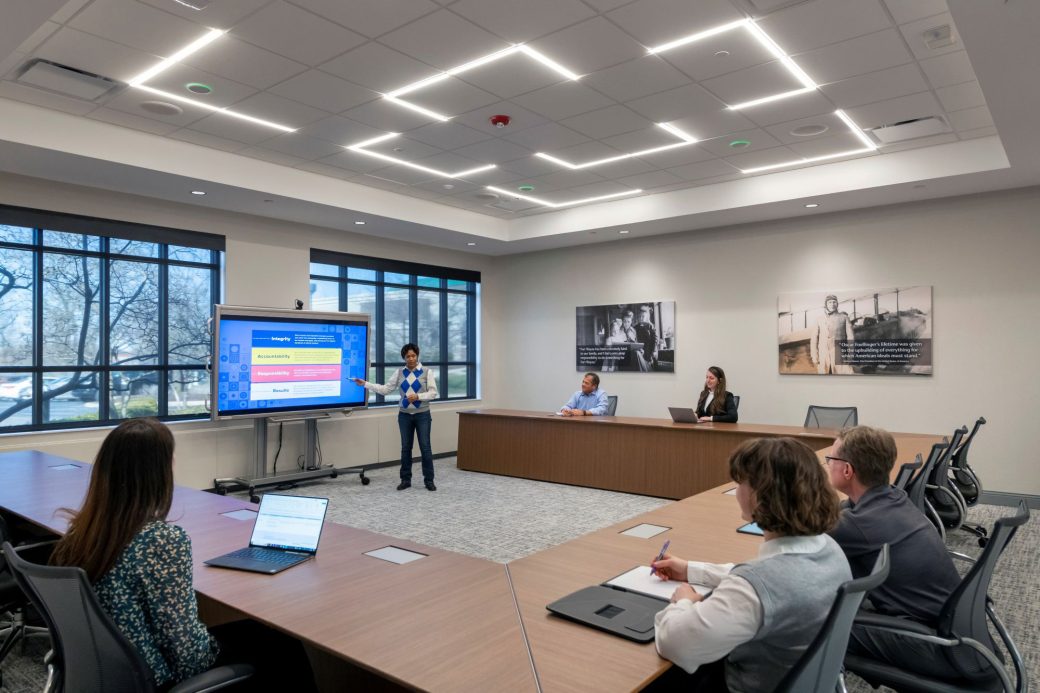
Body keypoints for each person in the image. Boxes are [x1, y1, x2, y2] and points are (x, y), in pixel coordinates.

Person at [49, 418, 315, 690]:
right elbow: (187, 654)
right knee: (283, 643)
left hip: (111, 670)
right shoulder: (161, 540)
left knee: (254, 632)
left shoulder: (84, 530)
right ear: (158, 471)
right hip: (154, 676)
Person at [652, 437, 850, 692]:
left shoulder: (755, 589)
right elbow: (763, 580)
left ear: (758, 495)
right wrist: (691, 569)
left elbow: (675, 643)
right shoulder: (829, 549)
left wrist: (683, 601)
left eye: (740, 482)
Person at [827, 426, 979, 680]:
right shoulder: (896, 496)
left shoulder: (859, 525)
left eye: (830, 459)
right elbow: (845, 511)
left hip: (936, 645)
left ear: (847, 470)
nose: (827, 464)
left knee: (818, 623)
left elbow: (800, 531)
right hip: (960, 634)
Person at [353, 343, 438, 491]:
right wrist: (365, 384)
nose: (411, 359)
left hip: (422, 415)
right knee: (406, 448)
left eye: (413, 355)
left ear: (417, 355)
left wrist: (418, 396)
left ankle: (429, 480)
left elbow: (433, 393)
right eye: (408, 356)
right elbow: (385, 389)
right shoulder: (399, 373)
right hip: (404, 415)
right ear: (404, 358)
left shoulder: (426, 372)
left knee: (426, 448)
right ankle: (405, 479)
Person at [810, 294, 855, 374]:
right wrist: (814, 355)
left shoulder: (844, 317)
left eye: (834, 302)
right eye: (830, 302)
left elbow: (850, 337)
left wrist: (851, 354)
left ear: (837, 304)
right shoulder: (819, 319)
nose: (832, 304)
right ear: (826, 304)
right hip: (823, 356)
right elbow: (814, 339)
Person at [634, 304, 661, 369]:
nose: (641, 318)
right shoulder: (636, 327)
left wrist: (654, 351)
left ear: (646, 317)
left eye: (643, 316)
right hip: (640, 349)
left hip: (649, 349)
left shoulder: (650, 326)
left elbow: (655, 340)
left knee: (650, 366)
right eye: (640, 316)